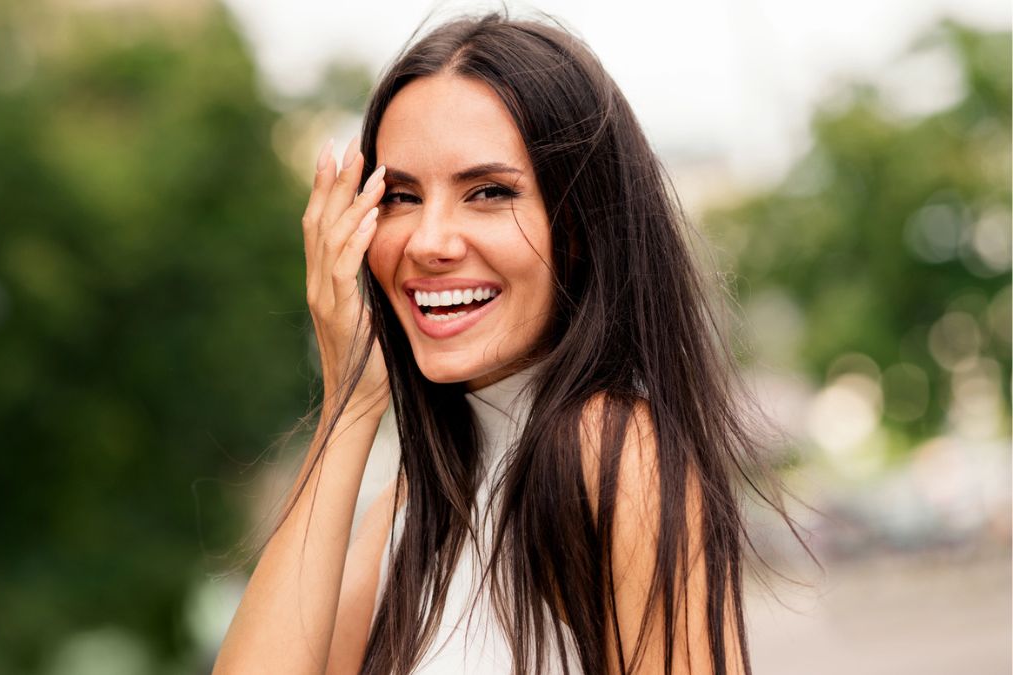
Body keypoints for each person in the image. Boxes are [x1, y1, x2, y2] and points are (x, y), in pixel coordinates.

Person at [213, 11, 807, 675]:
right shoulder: (422, 501)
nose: (428, 241)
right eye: (402, 196)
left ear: (581, 226)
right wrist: (350, 402)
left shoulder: (614, 453)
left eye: (488, 192)